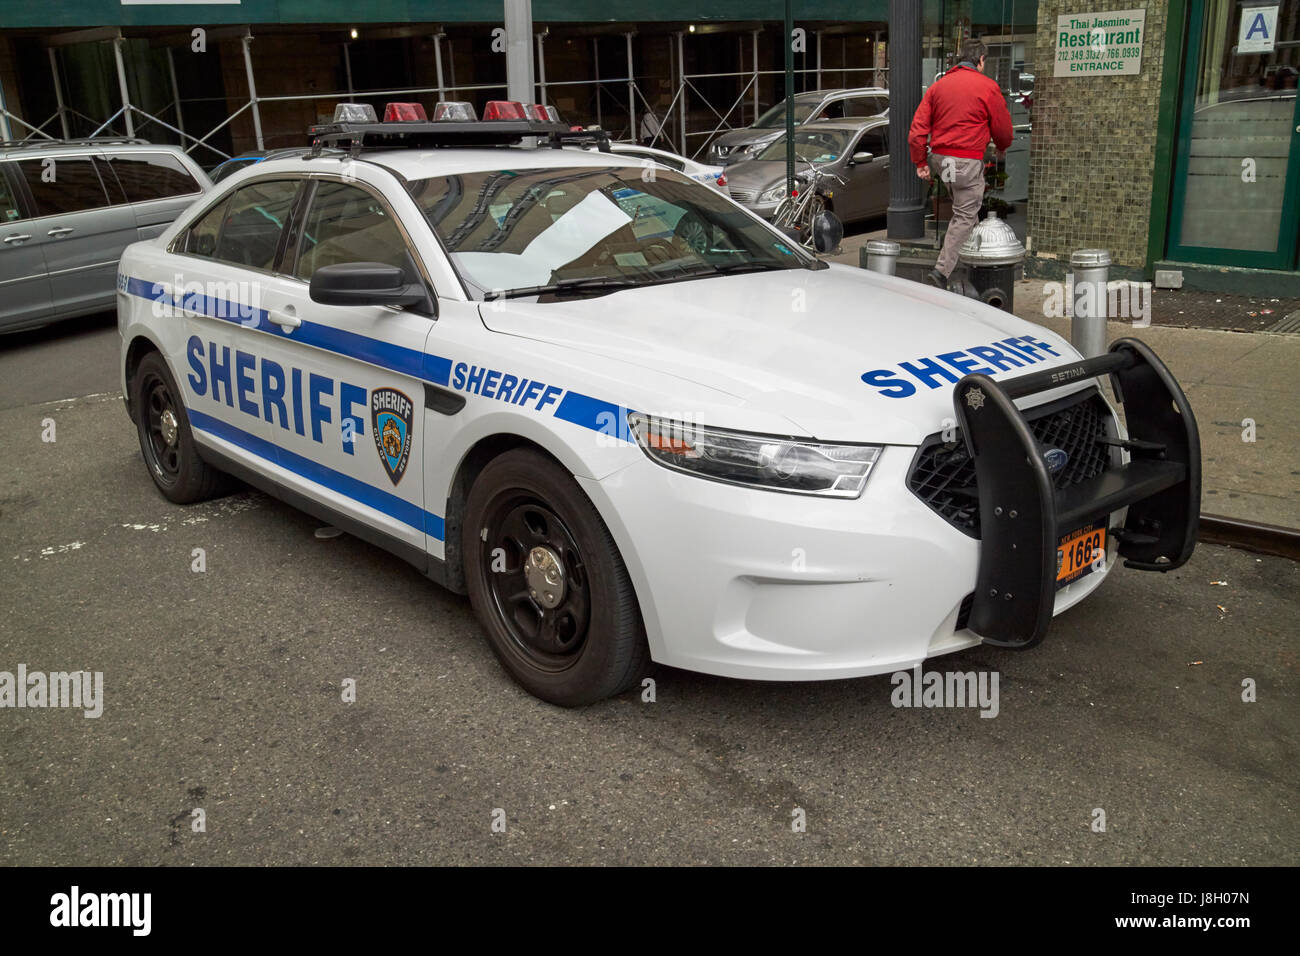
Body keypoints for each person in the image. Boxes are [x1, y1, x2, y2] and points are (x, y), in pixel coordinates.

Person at [909, 38, 1013, 290]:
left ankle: (972, 265)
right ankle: (941, 272)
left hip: (941, 161)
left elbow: (917, 130)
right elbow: (1002, 129)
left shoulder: (938, 87)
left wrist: (920, 161)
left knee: (965, 210)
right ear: (981, 60)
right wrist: (1002, 146)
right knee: (965, 215)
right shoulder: (987, 86)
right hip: (966, 160)